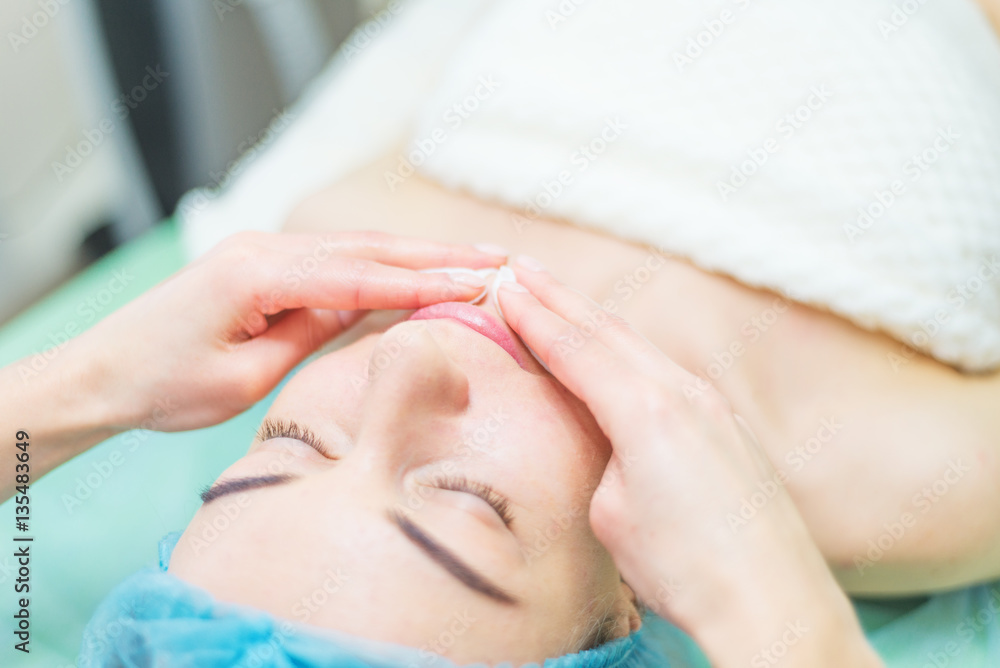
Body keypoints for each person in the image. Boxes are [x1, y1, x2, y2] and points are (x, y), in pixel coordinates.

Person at [0, 232, 881, 666]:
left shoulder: (321, 230)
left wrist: (87, 382)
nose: (403, 358)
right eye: (469, 498)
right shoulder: (891, 474)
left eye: (293, 444)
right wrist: (778, 611)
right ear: (628, 609)